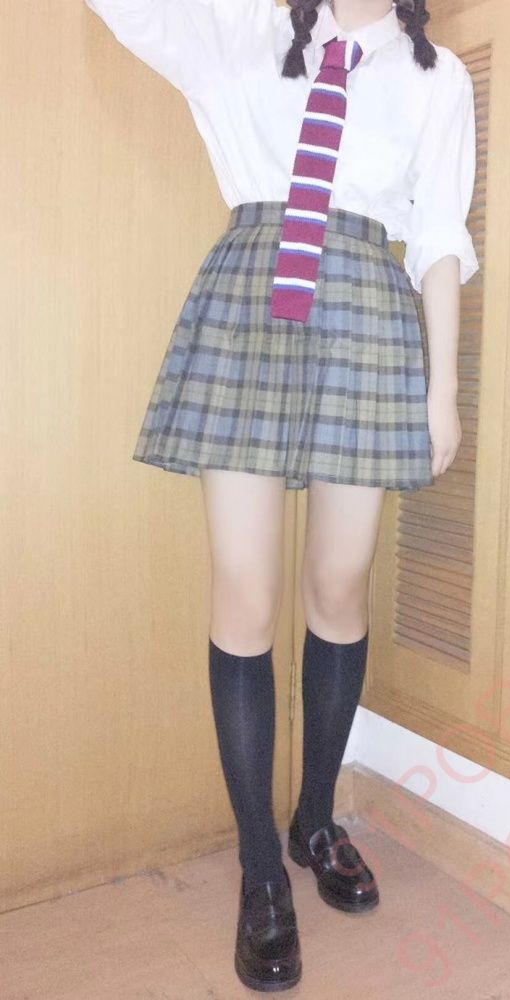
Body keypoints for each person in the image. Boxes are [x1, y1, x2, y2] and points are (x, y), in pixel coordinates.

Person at [83, 0, 479, 991]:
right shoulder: (243, 27)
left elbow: (439, 234)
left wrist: (442, 389)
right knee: (244, 594)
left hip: (371, 312)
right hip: (249, 299)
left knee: (338, 588)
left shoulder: (438, 78)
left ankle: (313, 820)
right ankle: (262, 866)